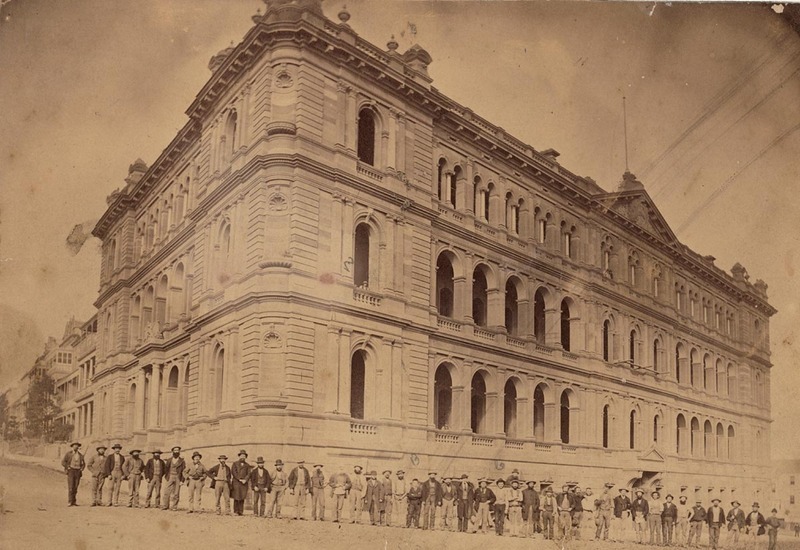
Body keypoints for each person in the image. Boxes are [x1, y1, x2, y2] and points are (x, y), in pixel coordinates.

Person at [61, 442, 85, 507]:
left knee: (76, 487)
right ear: (72, 446)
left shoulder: (80, 455)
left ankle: (74, 501)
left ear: (78, 447)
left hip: (78, 472)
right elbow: (63, 462)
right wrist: (67, 467)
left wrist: (81, 468)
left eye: (77, 446)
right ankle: (70, 501)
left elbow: (83, 464)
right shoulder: (68, 454)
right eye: (74, 446)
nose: (76, 447)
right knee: (71, 486)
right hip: (71, 471)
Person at [162, 446, 185, 511]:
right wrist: (167, 476)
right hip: (170, 476)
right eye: (175, 450)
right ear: (172, 451)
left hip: (178, 477)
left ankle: (174, 506)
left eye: (177, 450)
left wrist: (182, 480)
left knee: (176, 492)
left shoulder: (182, 461)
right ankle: (165, 505)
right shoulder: (169, 460)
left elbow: (184, 471)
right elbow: (166, 469)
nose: (176, 452)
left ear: (179, 452)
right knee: (166, 491)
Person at [230, 450, 251, 516]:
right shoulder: (235, 464)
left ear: (246, 457)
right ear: (239, 456)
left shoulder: (247, 465)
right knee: (236, 497)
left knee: (242, 497)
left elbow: (249, 473)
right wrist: (239, 479)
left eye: (244, 456)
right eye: (241, 456)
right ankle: (235, 511)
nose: (243, 457)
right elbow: (233, 472)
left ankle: (241, 511)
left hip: (244, 483)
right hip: (236, 483)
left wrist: (245, 480)